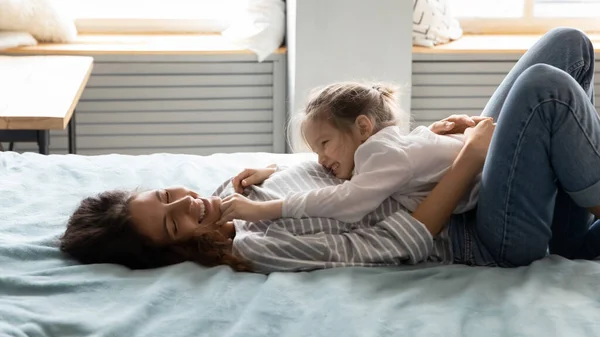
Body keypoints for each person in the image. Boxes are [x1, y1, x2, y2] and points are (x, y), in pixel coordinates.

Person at [61, 27, 600, 273]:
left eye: (167, 194)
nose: (187, 204)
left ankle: (575, 226)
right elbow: (400, 241)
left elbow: (349, 167)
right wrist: (471, 156)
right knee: (545, 89)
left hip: (461, 182)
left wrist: (440, 138)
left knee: (566, 44)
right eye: (174, 225)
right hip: (482, 230)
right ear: (175, 252)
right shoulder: (258, 250)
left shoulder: (234, 191)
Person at [216, 81, 487, 225]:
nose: (320, 160)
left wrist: (263, 210)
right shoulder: (384, 149)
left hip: (493, 189)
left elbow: (347, 202)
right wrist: (276, 172)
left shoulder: (380, 154)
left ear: (362, 127)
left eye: (324, 144)